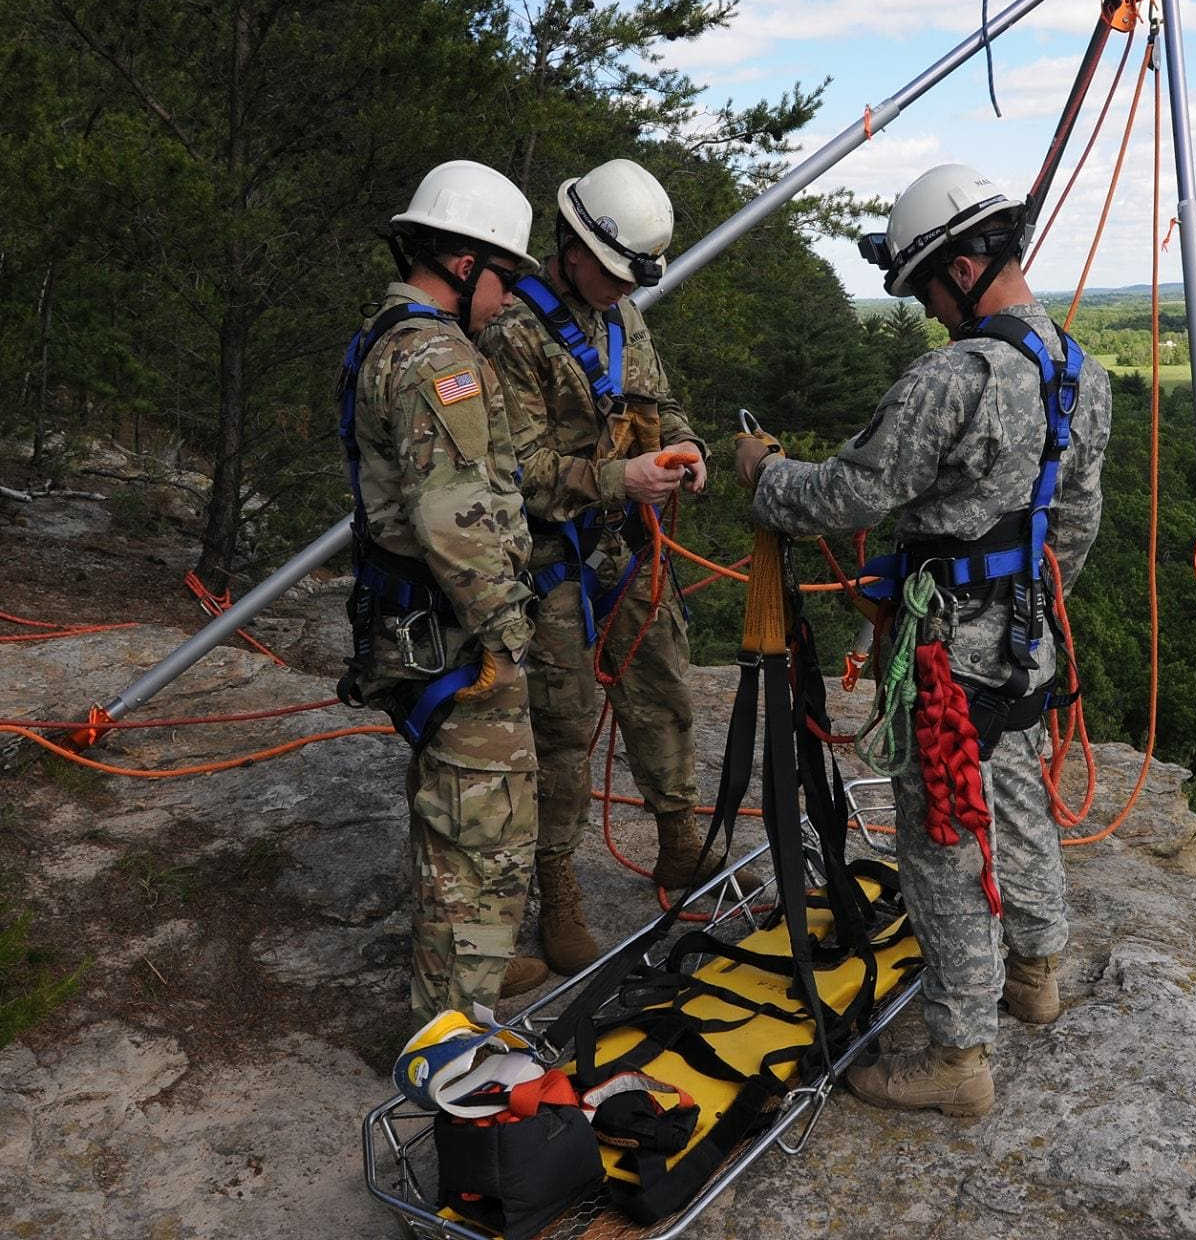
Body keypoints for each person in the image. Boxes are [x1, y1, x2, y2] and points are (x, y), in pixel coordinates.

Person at [738, 163, 1111, 1117]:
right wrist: (1027, 609)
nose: (932, 314)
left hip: (948, 654)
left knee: (943, 837)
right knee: (1016, 796)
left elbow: (850, 493)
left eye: (926, 292)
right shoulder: (1079, 370)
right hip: (1026, 641)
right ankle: (1036, 973)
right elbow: (1074, 525)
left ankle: (959, 1057)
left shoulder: (959, 377)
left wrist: (765, 475)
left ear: (960, 269)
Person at [480, 158, 719, 976]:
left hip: (630, 549)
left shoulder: (623, 317)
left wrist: (685, 447)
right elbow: (515, 469)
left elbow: (661, 403)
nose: (623, 288)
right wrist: (620, 479)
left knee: (664, 689)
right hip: (552, 561)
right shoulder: (512, 333)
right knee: (561, 729)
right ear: (573, 249)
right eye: (615, 272)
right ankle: (557, 890)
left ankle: (678, 839)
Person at [337, 160, 545, 1023]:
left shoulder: (385, 337)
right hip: (457, 632)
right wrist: (506, 632)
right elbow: (455, 517)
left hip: (416, 621)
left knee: (451, 817)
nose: (508, 299)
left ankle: (461, 980)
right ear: (465, 264)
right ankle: (456, 1034)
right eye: (504, 279)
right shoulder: (437, 359)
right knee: (485, 833)